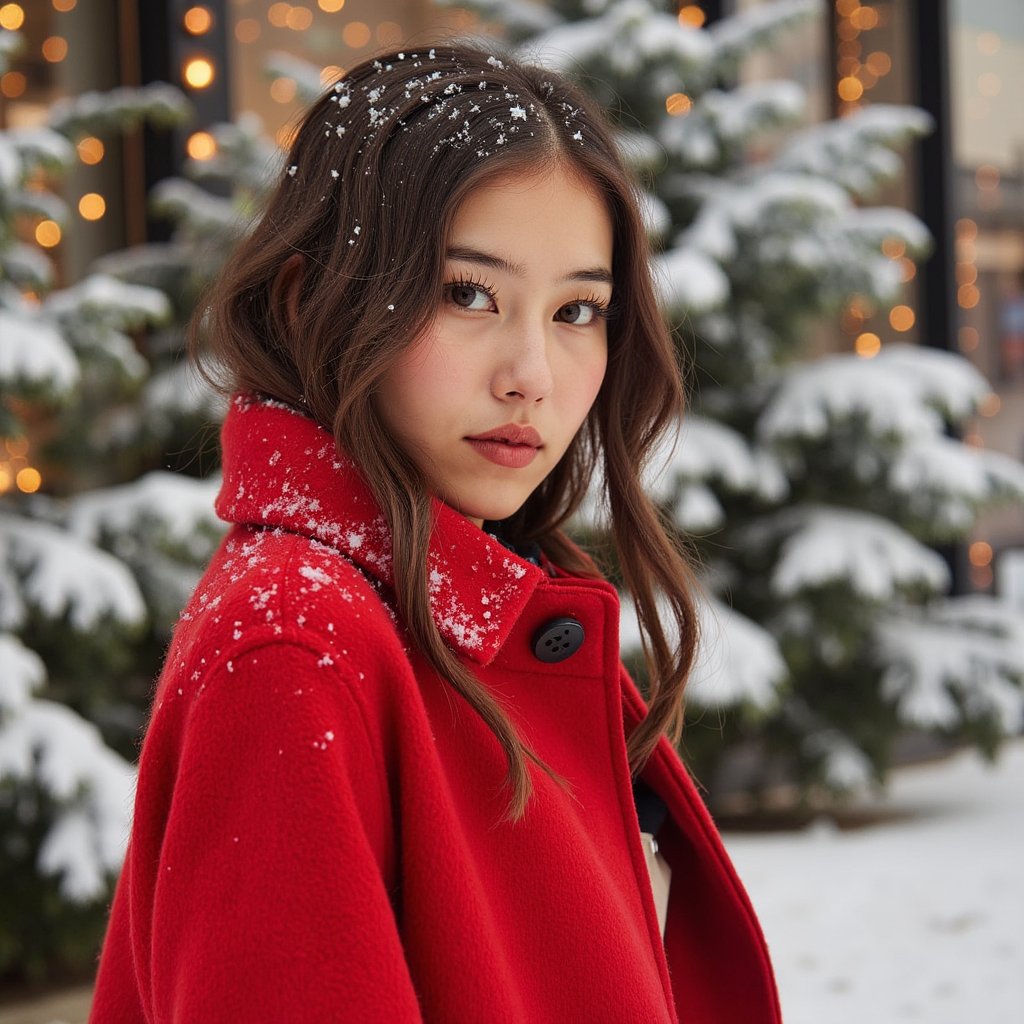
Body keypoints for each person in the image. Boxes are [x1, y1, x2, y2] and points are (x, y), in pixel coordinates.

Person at [90, 44, 780, 1023]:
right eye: (467, 293)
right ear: (307, 299)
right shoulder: (294, 641)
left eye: (579, 309)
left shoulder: (485, 602)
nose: (531, 372)